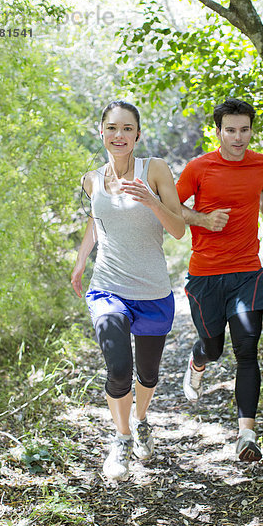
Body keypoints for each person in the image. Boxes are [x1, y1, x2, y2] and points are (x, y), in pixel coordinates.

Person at [71, 101, 185, 481]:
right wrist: (81, 260)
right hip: (108, 288)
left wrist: (151, 200)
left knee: (147, 375)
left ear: (138, 134)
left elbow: (178, 229)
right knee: (119, 368)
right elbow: (96, 220)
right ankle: (120, 439)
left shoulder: (155, 170)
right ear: (100, 131)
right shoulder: (91, 178)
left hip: (153, 291)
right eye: (112, 128)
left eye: (127, 128)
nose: (119, 135)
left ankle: (140, 422)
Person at [176, 98, 263, 462]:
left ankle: (246, 435)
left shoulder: (261, 163)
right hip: (206, 275)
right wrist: (203, 220)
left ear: (251, 129)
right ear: (218, 131)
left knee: (247, 351)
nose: (239, 138)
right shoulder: (199, 168)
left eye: (244, 130)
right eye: (231, 131)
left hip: (247, 270)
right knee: (214, 347)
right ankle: (197, 359)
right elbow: (169, 208)